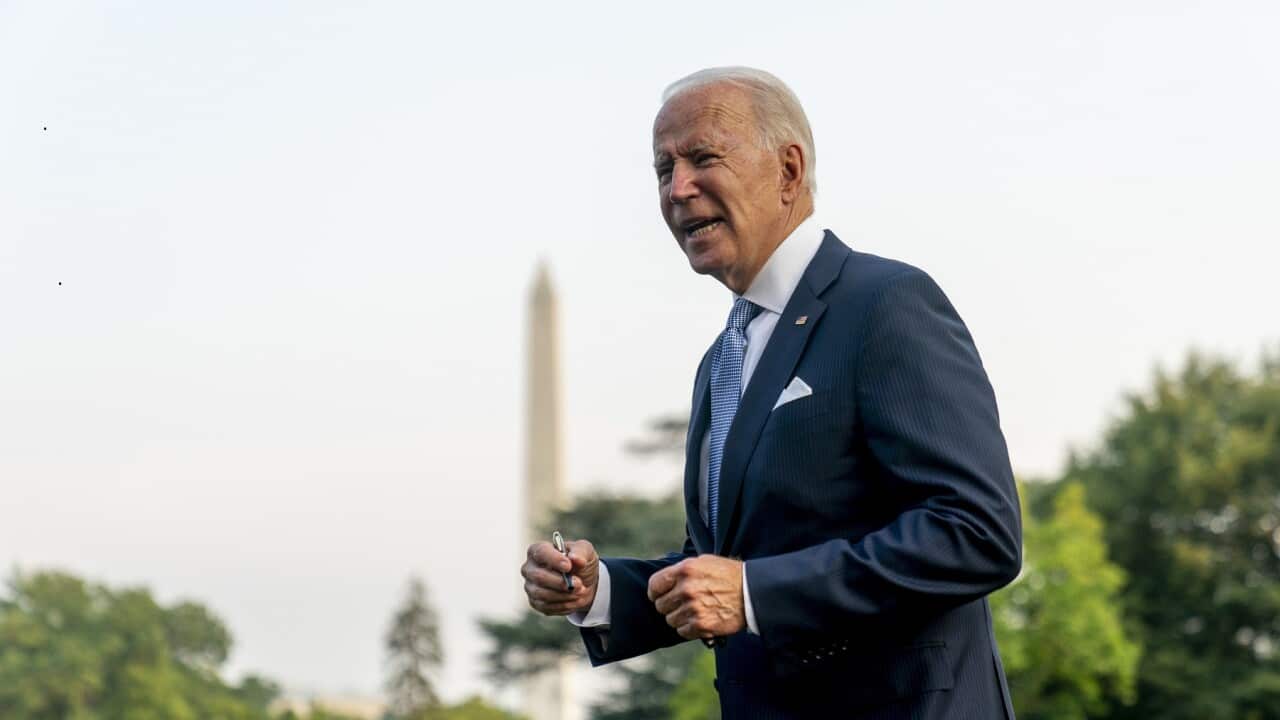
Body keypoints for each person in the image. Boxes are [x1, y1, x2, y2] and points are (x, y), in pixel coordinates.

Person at [521, 66, 1022, 719]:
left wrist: (756, 593)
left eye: (703, 157)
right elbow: (721, 568)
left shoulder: (887, 305)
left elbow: (977, 532)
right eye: (662, 169)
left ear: (789, 171)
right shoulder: (721, 360)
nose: (678, 188)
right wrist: (601, 591)